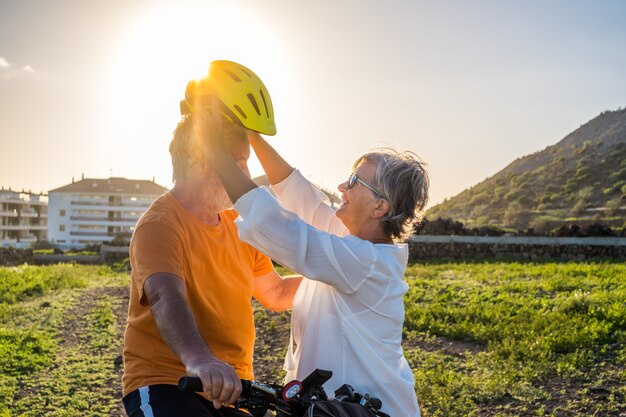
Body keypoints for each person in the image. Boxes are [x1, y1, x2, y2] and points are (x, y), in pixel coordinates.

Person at [201, 109, 429, 417]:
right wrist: (251, 132)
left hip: (366, 410)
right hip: (332, 407)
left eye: (354, 181)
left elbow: (284, 232)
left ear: (379, 206)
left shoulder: (367, 262)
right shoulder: (354, 239)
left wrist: (213, 149)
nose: (342, 187)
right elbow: (303, 198)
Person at [122, 61, 302, 417]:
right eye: (237, 161)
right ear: (203, 159)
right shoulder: (159, 225)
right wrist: (200, 359)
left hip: (232, 390)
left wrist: (336, 277)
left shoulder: (240, 224)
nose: (248, 175)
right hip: (168, 383)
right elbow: (163, 295)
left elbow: (276, 293)